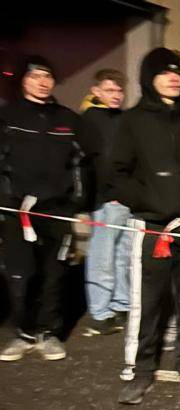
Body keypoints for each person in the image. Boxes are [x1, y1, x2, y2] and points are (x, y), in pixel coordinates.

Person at [110, 47, 180, 404]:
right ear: (149, 78)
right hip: (151, 225)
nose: (174, 78)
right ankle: (140, 370)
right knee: (148, 301)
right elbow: (117, 172)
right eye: (165, 72)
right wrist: (145, 202)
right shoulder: (133, 121)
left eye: (178, 72)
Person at [0, 56, 83, 361]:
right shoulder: (7, 116)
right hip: (16, 208)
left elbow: (83, 163)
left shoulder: (68, 118)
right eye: (35, 76)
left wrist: (79, 202)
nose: (42, 82)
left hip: (56, 208)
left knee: (54, 273)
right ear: (23, 80)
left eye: (47, 76)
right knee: (20, 273)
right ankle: (23, 332)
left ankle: (48, 332)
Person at [80, 69, 132, 336]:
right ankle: (100, 311)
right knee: (102, 258)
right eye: (110, 90)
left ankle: (121, 303)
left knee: (123, 256)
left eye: (119, 90)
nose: (116, 95)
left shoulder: (124, 119)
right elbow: (90, 162)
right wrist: (92, 199)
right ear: (96, 91)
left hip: (127, 199)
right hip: (104, 200)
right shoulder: (89, 120)